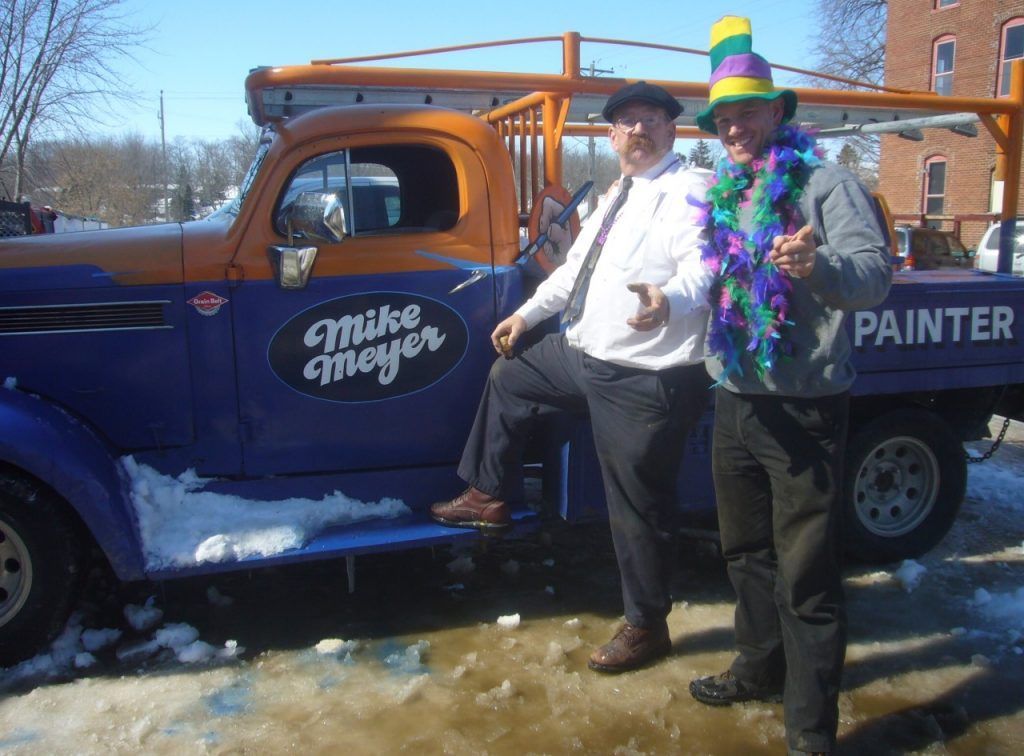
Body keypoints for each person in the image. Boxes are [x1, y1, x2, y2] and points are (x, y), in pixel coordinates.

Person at [431, 81, 712, 673]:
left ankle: (646, 625)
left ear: (671, 131)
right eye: (628, 121)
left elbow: (703, 269)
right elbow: (573, 271)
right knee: (511, 374)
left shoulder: (690, 190)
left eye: (652, 119)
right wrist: (526, 316)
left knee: (637, 507)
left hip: (644, 374)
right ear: (612, 136)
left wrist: (670, 300)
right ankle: (488, 495)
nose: (639, 129)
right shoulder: (617, 195)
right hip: (583, 354)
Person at [686, 16, 893, 755]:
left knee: (806, 574)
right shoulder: (727, 189)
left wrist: (817, 266)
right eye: (723, 118)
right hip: (736, 397)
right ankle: (757, 667)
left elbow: (874, 276)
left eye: (747, 111)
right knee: (745, 552)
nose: (734, 127)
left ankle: (810, 730)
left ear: (777, 112)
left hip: (806, 405)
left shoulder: (827, 184)